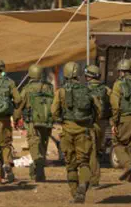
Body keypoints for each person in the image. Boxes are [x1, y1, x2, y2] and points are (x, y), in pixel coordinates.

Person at [52, 63, 101, 204]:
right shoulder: (87, 90)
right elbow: (98, 110)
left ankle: (75, 195)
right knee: (84, 162)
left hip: (67, 131)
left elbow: (54, 111)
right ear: (79, 74)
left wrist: (61, 120)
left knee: (70, 164)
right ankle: (82, 186)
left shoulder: (60, 92)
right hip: (84, 131)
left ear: (65, 74)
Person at [16, 65, 55, 182]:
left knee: (34, 146)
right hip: (47, 122)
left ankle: (38, 171)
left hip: (33, 122)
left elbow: (19, 104)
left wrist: (16, 117)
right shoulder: (49, 87)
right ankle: (37, 172)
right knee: (43, 146)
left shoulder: (27, 88)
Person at [109, 59, 131, 181]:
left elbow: (115, 106)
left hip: (123, 119)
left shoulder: (118, 84)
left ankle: (128, 166)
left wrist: (114, 122)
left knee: (117, 143)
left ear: (121, 72)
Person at [84, 64, 111, 187]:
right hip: (103, 123)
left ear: (88, 76)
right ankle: (95, 176)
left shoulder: (84, 89)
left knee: (92, 151)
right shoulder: (106, 89)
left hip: (90, 123)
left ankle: (94, 179)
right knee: (98, 150)